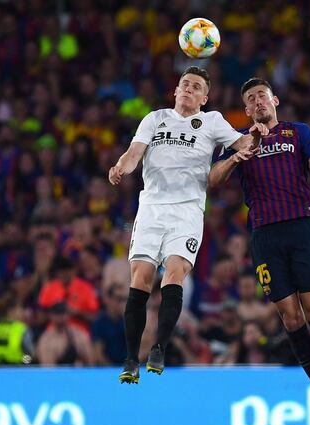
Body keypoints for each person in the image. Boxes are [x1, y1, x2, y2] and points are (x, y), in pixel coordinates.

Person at [209, 78, 310, 425]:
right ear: (245, 110)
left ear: (274, 100)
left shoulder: (298, 132)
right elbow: (212, 181)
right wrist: (236, 158)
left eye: (262, 95)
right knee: (291, 319)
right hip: (265, 235)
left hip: (302, 228)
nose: (258, 101)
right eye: (250, 99)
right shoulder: (239, 141)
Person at [108, 66, 267, 383]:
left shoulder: (212, 121)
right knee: (140, 280)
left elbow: (244, 146)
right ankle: (130, 358)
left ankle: (159, 348)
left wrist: (256, 135)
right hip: (152, 207)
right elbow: (133, 153)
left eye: (196, 87)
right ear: (176, 91)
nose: (189, 89)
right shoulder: (155, 118)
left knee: (175, 273)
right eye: (185, 84)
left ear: (204, 97)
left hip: (188, 210)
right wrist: (120, 167)